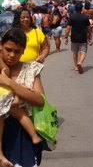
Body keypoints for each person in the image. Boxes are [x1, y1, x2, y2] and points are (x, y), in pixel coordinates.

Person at [0, 28, 45, 167]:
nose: (12, 55)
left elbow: (40, 100)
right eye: (8, 49)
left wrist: (8, 82)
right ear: (0, 46)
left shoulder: (30, 69)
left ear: (23, 51)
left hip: (23, 135)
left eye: (17, 51)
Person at [64, 2, 91, 74]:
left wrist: (66, 37)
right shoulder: (85, 17)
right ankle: (80, 62)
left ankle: (76, 66)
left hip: (74, 37)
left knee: (75, 52)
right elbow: (88, 28)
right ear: (81, 9)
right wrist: (89, 35)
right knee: (83, 51)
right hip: (83, 37)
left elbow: (68, 28)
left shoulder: (71, 17)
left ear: (75, 9)